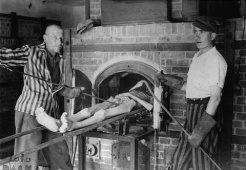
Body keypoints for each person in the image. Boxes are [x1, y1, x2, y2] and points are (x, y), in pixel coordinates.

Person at [0, 25, 83, 170]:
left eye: (61, 38)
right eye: (55, 38)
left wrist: (71, 92)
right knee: (26, 158)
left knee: (60, 153)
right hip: (29, 113)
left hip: (50, 113)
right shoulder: (31, 52)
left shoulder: (61, 60)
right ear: (45, 39)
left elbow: (57, 87)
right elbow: (7, 57)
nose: (59, 42)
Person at [158, 17, 227, 170]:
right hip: (192, 112)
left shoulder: (215, 60)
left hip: (205, 113)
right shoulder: (198, 56)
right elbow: (194, 87)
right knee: (180, 159)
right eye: (195, 32)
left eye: (202, 32)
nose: (197, 36)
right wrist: (170, 81)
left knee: (202, 163)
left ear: (213, 36)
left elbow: (215, 98)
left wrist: (200, 131)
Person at [34, 89, 154, 133]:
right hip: (120, 98)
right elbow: (139, 84)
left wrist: (130, 95)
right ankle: (63, 122)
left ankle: (74, 125)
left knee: (103, 114)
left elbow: (150, 107)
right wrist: (123, 94)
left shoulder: (150, 98)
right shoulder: (145, 87)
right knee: (91, 109)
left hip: (129, 105)